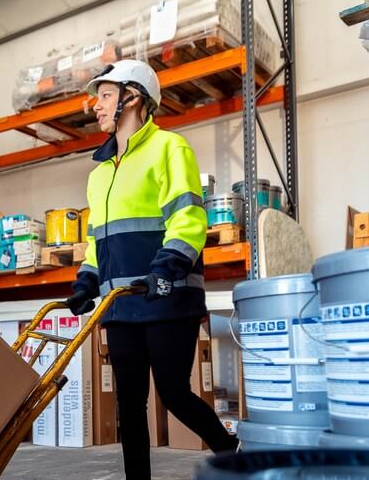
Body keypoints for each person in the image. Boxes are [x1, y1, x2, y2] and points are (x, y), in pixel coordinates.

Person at [65, 60, 238, 478]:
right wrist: (88, 279)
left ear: (133, 98)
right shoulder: (100, 174)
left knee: (175, 392)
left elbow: (188, 219)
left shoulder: (169, 149)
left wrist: (166, 269)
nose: (96, 106)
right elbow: (98, 242)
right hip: (121, 307)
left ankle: (231, 452)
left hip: (166, 297)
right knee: (129, 404)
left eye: (105, 95)